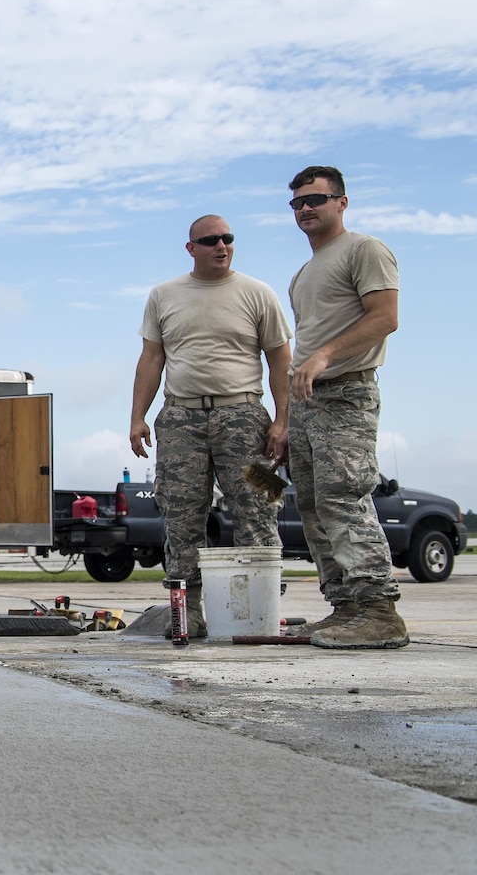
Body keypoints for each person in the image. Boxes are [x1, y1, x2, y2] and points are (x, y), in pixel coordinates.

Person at [130, 215, 292, 639]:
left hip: (243, 416)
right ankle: (189, 613)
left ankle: (260, 610)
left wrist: (282, 421)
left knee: (257, 510)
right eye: (211, 240)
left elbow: (280, 362)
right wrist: (137, 417)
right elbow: (151, 359)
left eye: (228, 238)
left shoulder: (257, 293)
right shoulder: (164, 295)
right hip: (181, 417)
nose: (222, 246)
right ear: (191, 248)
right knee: (181, 517)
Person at [285, 166, 406, 649]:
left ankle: (379, 611)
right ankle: (346, 608)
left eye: (316, 199)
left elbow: (385, 318)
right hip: (309, 402)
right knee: (313, 506)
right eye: (297, 203)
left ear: (341, 202)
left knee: (344, 498)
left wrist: (323, 356)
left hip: (346, 394)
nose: (306, 209)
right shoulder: (305, 272)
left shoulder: (364, 250)